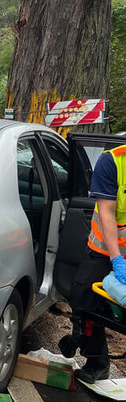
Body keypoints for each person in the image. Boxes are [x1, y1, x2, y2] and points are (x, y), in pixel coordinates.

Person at [62, 146, 126, 382]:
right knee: (84, 297)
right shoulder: (113, 162)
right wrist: (116, 258)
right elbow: (107, 212)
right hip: (105, 251)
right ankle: (97, 361)